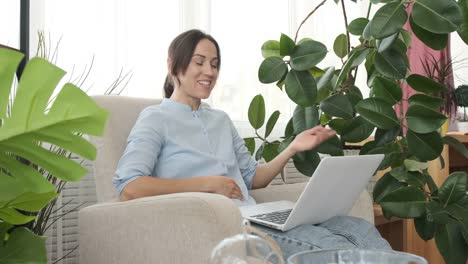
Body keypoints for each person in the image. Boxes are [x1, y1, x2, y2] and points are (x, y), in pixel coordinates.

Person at [113, 29, 391, 259]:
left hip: (257, 214)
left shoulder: (220, 119)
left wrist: (293, 147)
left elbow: (252, 178)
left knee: (357, 229)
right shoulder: (155, 118)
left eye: (214, 63)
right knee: (331, 246)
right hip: (226, 224)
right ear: (174, 65)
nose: (209, 71)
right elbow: (130, 187)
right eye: (199, 62)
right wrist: (206, 183)